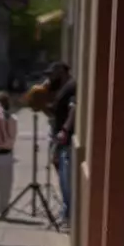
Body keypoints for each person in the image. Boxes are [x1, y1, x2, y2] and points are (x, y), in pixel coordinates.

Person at [46, 62, 76, 224]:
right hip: (59, 138)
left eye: (53, 74)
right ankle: (66, 210)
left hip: (65, 139)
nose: (50, 78)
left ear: (61, 72)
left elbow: (74, 108)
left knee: (66, 178)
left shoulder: (71, 86)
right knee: (61, 172)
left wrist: (65, 129)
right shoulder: (62, 88)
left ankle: (68, 214)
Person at [0, 91, 19, 214]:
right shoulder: (11, 118)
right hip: (3, 155)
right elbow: (11, 141)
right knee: (4, 187)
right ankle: (2, 208)